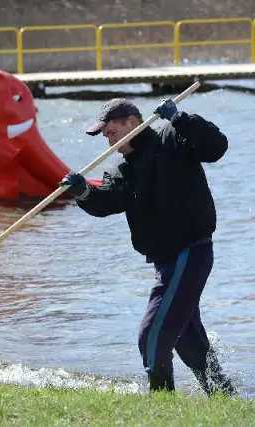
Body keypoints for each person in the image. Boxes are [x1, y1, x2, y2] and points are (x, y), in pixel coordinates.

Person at [60, 97, 235, 396]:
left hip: (189, 252)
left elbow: (216, 146)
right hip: (164, 262)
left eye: (111, 132)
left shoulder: (173, 136)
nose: (108, 140)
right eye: (105, 136)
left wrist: (180, 118)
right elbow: (108, 202)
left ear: (132, 123)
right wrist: (84, 192)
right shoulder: (122, 169)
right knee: (187, 340)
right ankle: (225, 397)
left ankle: (162, 406)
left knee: (152, 336)